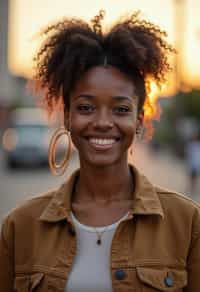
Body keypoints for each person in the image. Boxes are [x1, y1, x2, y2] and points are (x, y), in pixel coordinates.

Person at [0, 10, 200, 292]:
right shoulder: (20, 227)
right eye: (86, 107)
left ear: (139, 119)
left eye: (120, 109)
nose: (103, 123)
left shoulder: (188, 222)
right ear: (67, 116)